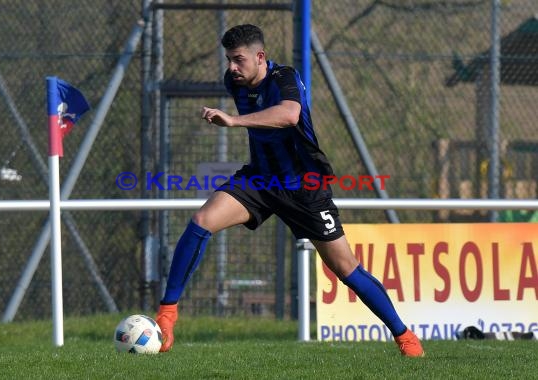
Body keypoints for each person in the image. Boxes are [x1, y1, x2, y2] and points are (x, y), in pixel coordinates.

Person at [155, 24, 424, 357]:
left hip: (304, 186)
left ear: (260, 57)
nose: (232, 68)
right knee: (201, 221)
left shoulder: (284, 77)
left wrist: (235, 121)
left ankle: (404, 336)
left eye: (238, 60)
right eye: (228, 60)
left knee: (345, 268)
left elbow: (289, 114)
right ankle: (167, 313)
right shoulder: (234, 83)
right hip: (261, 181)